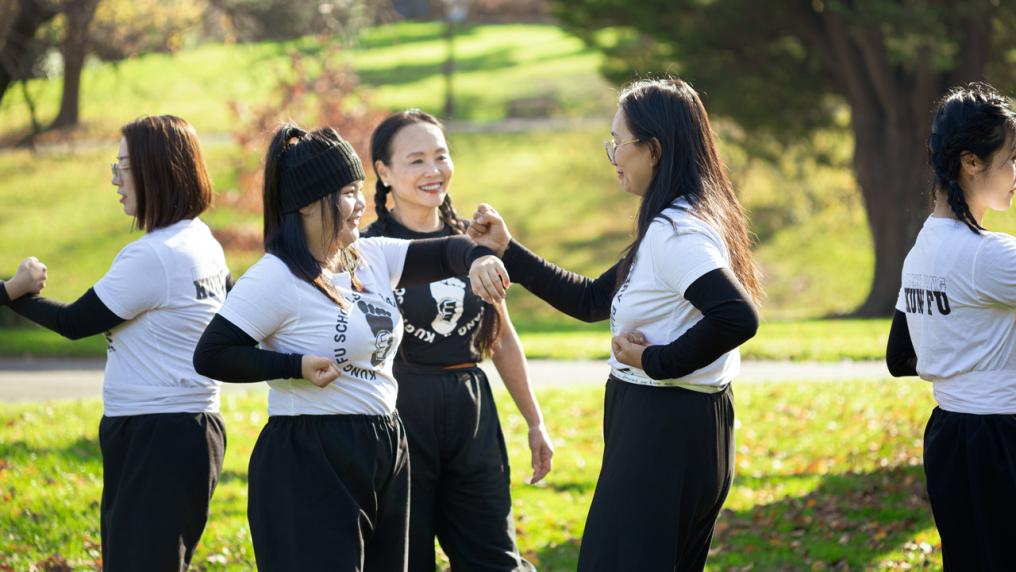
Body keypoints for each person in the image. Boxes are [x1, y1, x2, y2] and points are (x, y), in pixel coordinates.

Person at [468, 78, 762, 571]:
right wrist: (508, 252)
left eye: (618, 142)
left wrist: (655, 361)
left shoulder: (677, 233)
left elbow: (736, 316)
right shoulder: (676, 221)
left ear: (655, 149)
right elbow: (591, 299)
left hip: (665, 430)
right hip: (676, 425)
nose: (613, 156)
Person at [192, 123, 511, 572]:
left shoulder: (369, 257)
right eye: (347, 192)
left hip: (385, 444)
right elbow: (212, 354)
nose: (361, 203)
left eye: (360, 188)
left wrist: (479, 259)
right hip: (312, 453)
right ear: (306, 203)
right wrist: (295, 365)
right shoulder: (276, 276)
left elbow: (447, 252)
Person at [6, 115, 229, 571]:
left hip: (157, 435)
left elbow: (74, 322)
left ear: (156, 171)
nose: (113, 177)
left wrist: (15, 291)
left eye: (123, 165)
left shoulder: (154, 255)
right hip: (185, 431)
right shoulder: (200, 239)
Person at [363, 109, 552, 572]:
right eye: (416, 160)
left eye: (441, 156)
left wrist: (534, 421)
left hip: (471, 411)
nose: (433, 171)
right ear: (384, 172)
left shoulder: (472, 243)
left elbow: (501, 337)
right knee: (406, 559)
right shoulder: (368, 251)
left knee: (494, 557)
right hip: (399, 414)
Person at [886, 82, 1016, 571]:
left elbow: (899, 356)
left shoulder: (922, 250)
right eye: (1010, 159)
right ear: (971, 162)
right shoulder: (990, 255)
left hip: (948, 438)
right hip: (999, 440)